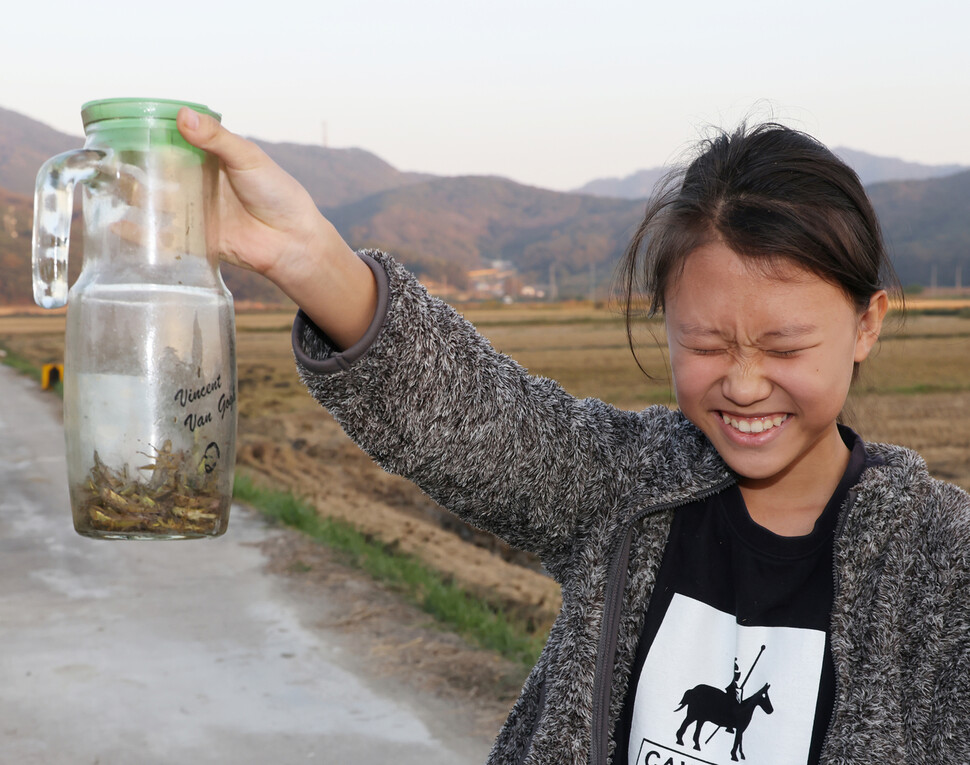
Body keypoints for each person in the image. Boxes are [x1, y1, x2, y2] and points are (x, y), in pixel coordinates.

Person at [176, 108, 970, 764]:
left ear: (867, 324)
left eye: (785, 347)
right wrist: (309, 254)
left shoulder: (939, 564)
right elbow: (471, 414)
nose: (744, 382)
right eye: (705, 344)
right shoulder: (632, 485)